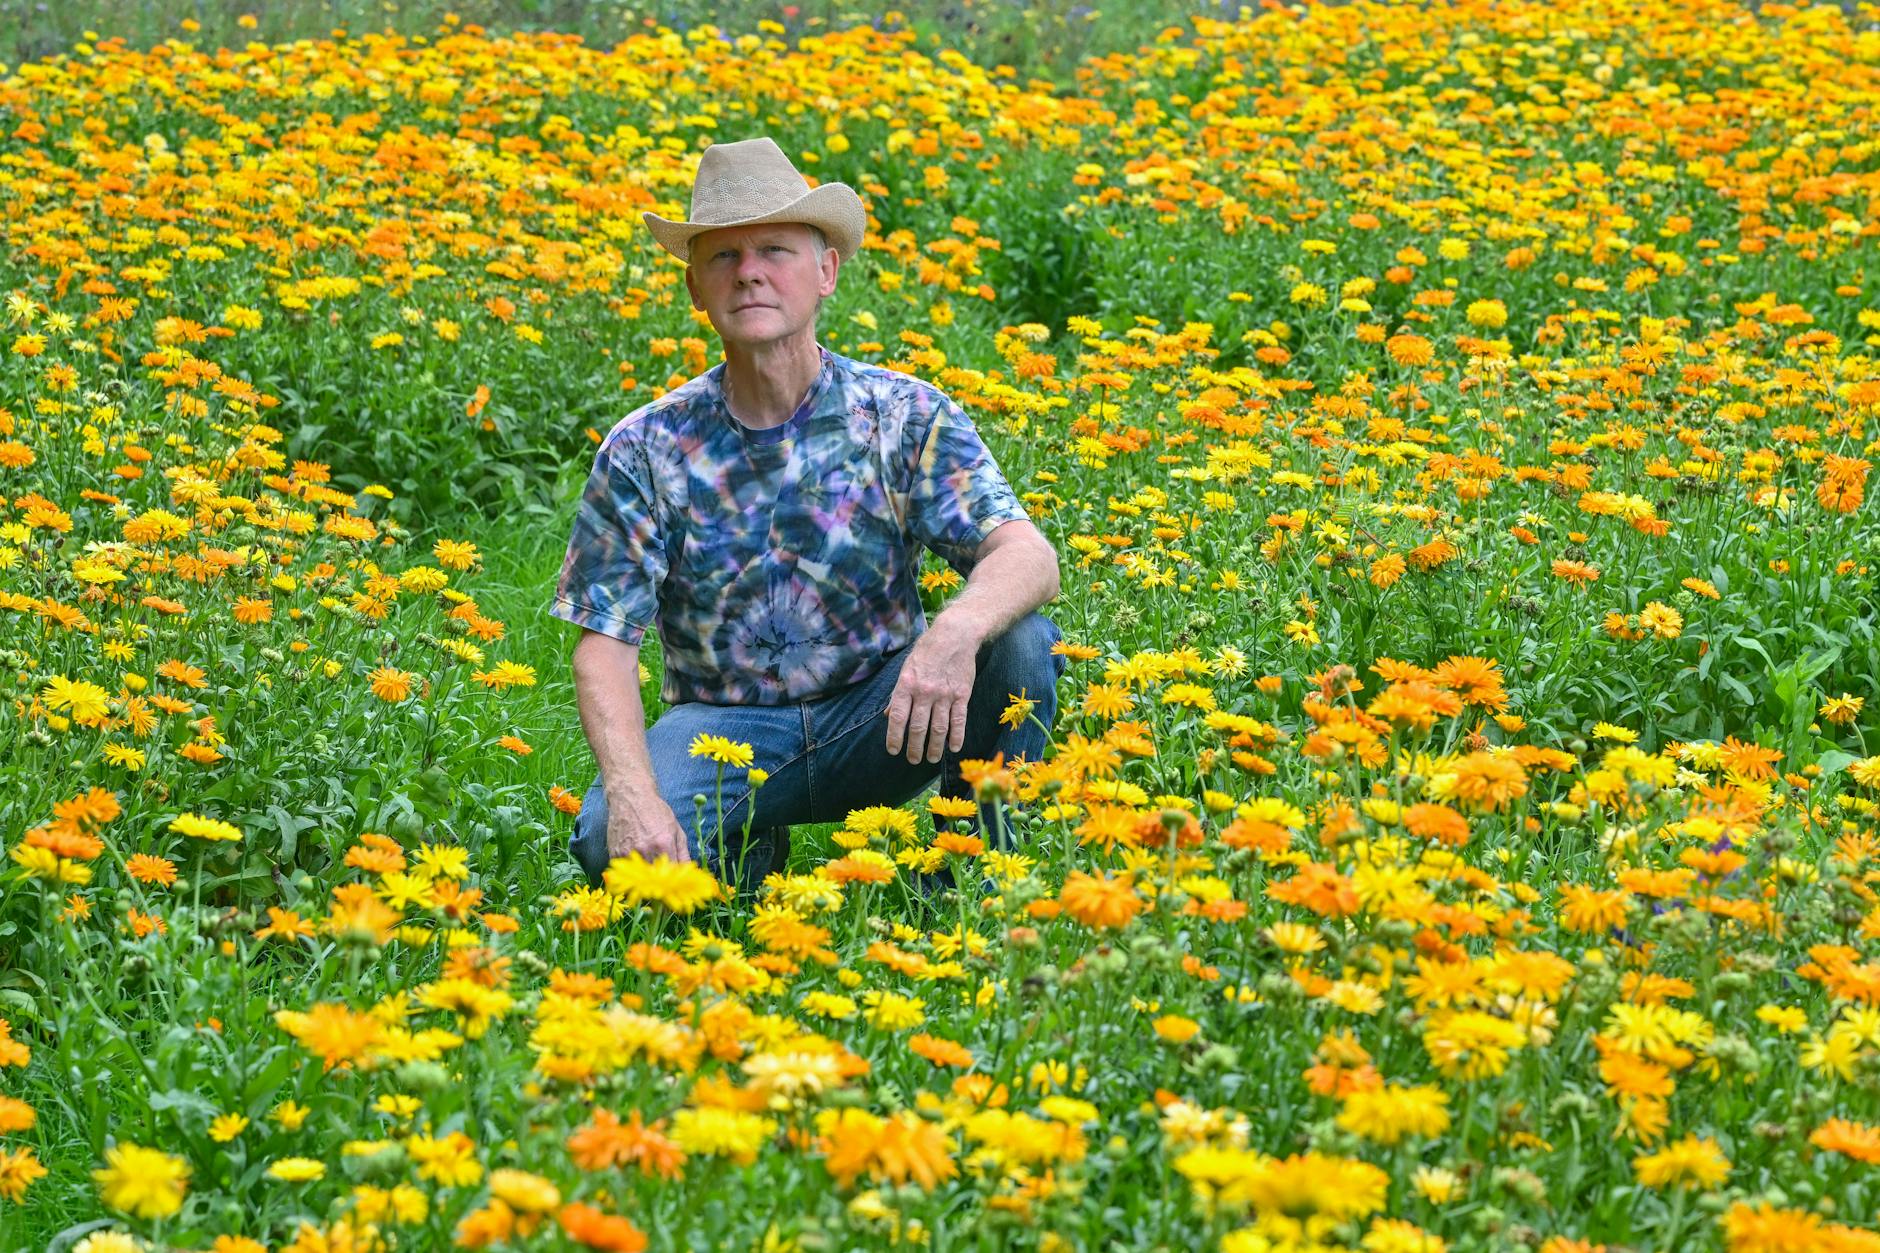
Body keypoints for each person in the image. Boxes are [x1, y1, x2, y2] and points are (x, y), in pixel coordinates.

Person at [550, 136, 1065, 897]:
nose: (750, 271)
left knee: (1020, 642)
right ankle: (744, 863)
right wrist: (632, 793)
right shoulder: (645, 448)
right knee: (607, 841)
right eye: (723, 256)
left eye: (775, 250)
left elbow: (1029, 555)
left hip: (884, 716)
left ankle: (974, 882)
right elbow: (603, 649)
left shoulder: (902, 413)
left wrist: (952, 633)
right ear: (695, 288)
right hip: (726, 736)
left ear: (826, 271)